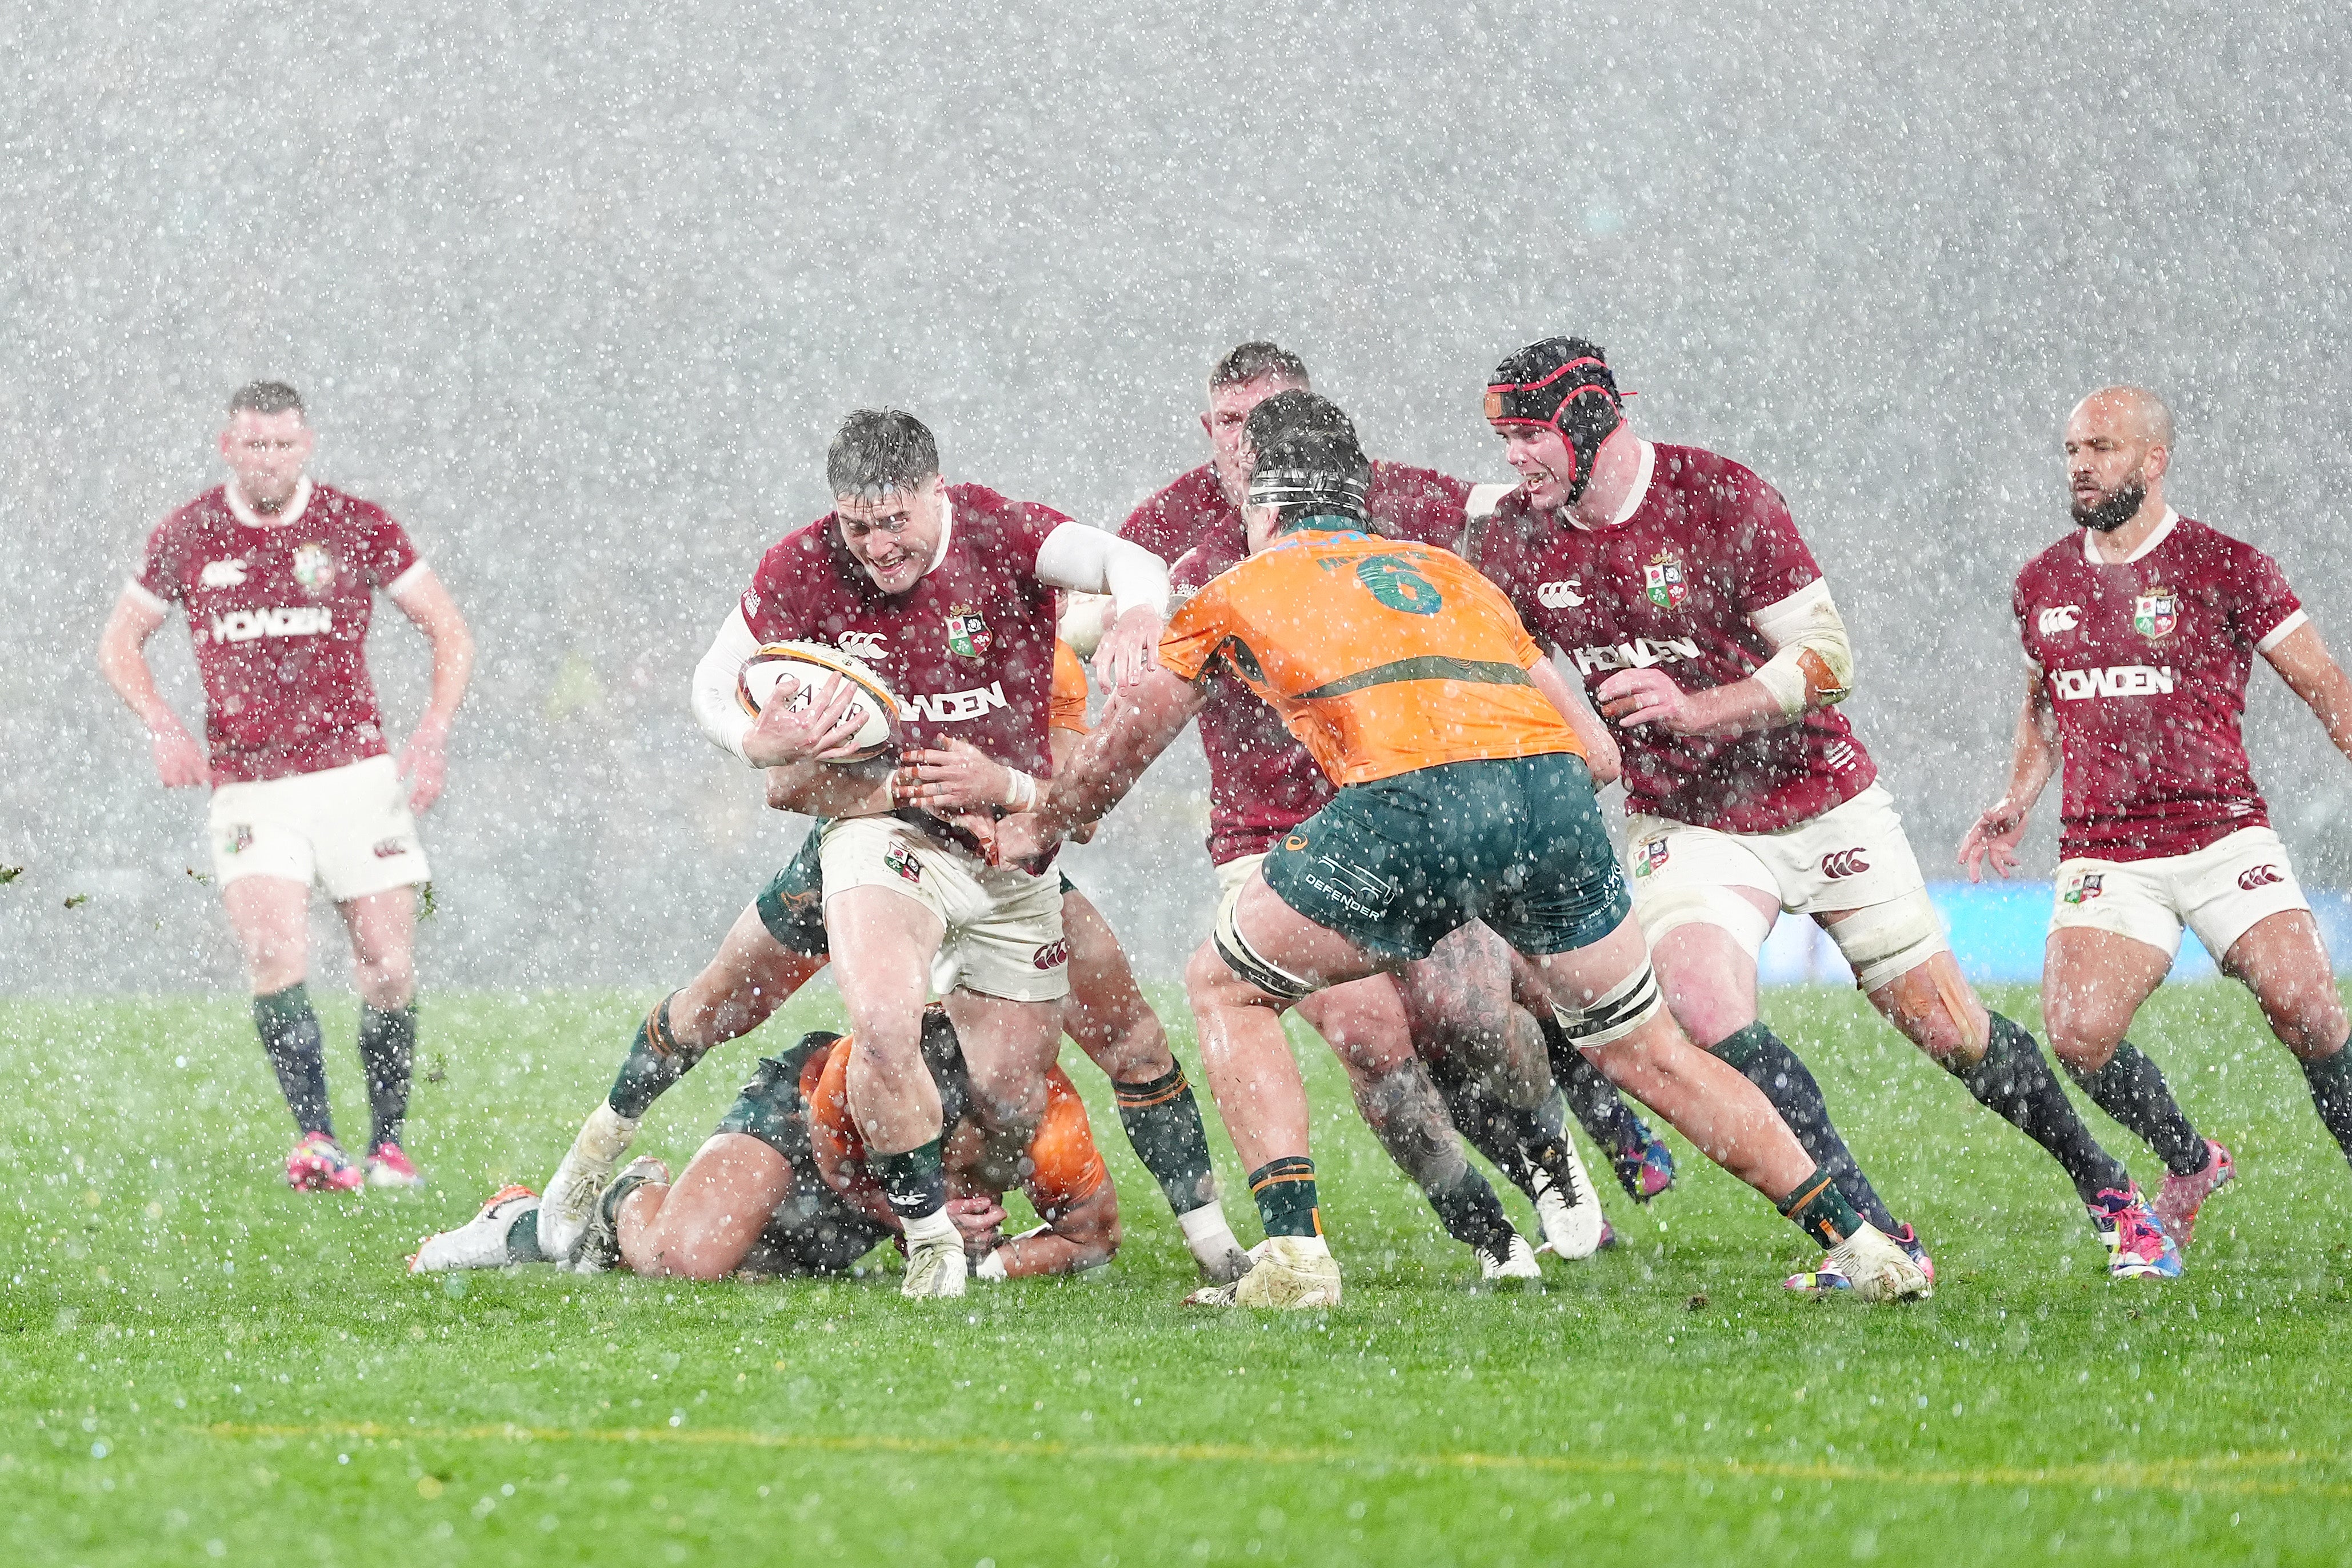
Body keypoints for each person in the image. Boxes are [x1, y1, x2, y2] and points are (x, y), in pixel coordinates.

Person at [995, 421, 1929, 1309]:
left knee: (1226, 985)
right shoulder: (1450, 574)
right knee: (1647, 1049)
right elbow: (1596, 754)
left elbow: (1127, 743)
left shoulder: (1239, 584)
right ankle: (1862, 1241)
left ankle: (1292, 1256)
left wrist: (1047, 822)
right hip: (1551, 797)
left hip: (1414, 801)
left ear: (1266, 506)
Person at [1466, 337, 2180, 1283]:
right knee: (1703, 1006)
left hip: (1820, 798)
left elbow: (1829, 656)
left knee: (1950, 1030)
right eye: (1503, 438)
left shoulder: (1719, 497)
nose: (1514, 457)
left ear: (1590, 422)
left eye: (1528, 435)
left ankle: (2111, 1194)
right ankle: (1874, 1237)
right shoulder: (1513, 535)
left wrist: (1695, 707)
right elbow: (1495, 654)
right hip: (1687, 821)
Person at [1116, 344, 1675, 1241]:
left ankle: (1553, 1156)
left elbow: (1520, 538)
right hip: (1269, 825)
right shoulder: (1164, 530)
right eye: (1230, 425)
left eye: (1270, 423)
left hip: (1413, 789)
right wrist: (1134, 610)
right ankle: (1481, 1231)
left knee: (1469, 1018)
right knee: (1370, 1036)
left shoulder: (1400, 499)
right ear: (1208, 430)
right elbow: (1101, 603)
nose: (1250, 446)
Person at [533, 637, 1246, 1280]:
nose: (883, 548)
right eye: (867, 529)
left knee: (1120, 1043)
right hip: (863, 859)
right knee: (718, 1007)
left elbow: (1077, 811)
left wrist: (1004, 788)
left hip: (1002, 879)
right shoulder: (863, 623)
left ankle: (1212, 1241)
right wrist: (897, 786)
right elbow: (786, 787)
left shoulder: (1039, 644)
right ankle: (597, 1153)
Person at [677, 407, 1170, 1301]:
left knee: (1014, 1098)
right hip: (882, 831)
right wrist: (757, 742)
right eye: (857, 525)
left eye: (895, 521)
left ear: (936, 494)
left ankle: (965, 1212)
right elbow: (714, 684)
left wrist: (1139, 610)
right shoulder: (803, 563)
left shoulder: (999, 532)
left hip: (1005, 855)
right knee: (877, 1020)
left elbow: (1127, 561)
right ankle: (931, 1237)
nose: (876, 546)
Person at [1961, 385, 2352, 1243]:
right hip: (2108, 849)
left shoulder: (2228, 566)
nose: (2082, 466)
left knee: (2311, 1012)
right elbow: (2043, 707)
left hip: (2223, 834)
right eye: (2072, 451)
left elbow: (2327, 686)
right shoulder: (2042, 583)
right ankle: (2189, 1161)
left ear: (2154, 459)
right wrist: (2017, 795)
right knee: (2078, 1038)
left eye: (2102, 448)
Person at [96, 381, 474, 1191]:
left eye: (282, 444)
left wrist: (433, 733)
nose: (267, 458)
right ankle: (317, 1142)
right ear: (226, 447)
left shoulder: (356, 526)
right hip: (251, 785)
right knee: (274, 954)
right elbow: (121, 642)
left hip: (356, 777)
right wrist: (163, 723)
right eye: (253, 444)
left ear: (306, 447)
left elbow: (447, 628)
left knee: (388, 969)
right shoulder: (190, 533)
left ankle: (389, 1145)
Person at [414, 1010, 1119, 1282]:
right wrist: (921, 1219)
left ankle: (543, 1229)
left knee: (765, 1266)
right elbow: (837, 1160)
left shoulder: (1044, 1111)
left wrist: (990, 1262)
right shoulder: (864, 1072)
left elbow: (1093, 1236)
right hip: (802, 1129)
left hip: (869, 1195)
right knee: (685, 1259)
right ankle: (621, 1196)